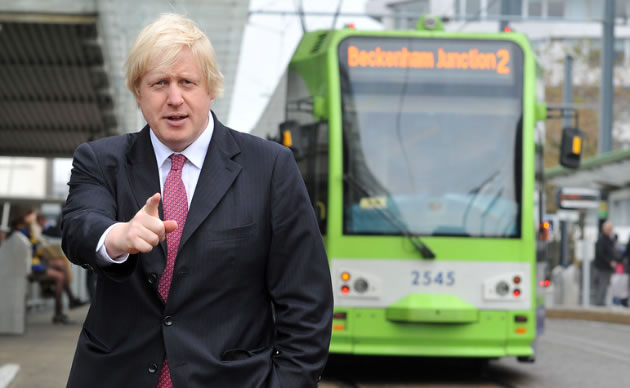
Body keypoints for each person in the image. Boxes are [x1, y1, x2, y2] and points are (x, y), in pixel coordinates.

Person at [61, 13, 333, 388]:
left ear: (211, 88)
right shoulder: (99, 160)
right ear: (138, 92)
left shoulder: (270, 167)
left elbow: (306, 297)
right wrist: (115, 237)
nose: (175, 99)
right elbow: (79, 226)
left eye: (187, 82)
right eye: (159, 83)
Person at [10, 207, 86, 324]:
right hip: (31, 267)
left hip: (32, 264)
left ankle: (70, 300)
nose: (34, 217)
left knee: (60, 264)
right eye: (31, 215)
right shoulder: (23, 231)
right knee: (59, 277)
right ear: (25, 217)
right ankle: (58, 313)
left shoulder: (27, 230)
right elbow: (30, 250)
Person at [594, 221, 617, 306]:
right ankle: (599, 304)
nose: (610, 231)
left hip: (607, 267)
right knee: (602, 286)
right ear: (604, 229)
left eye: (611, 229)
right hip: (602, 267)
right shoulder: (602, 240)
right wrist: (610, 262)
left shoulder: (609, 240)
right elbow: (601, 254)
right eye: (608, 229)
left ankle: (602, 303)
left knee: (605, 286)